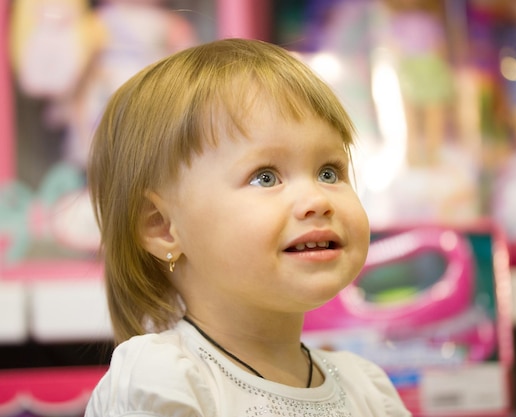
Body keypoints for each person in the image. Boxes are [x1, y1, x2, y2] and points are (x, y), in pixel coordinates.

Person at [85, 38, 411, 416]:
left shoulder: (367, 389)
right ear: (163, 227)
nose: (317, 201)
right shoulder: (163, 379)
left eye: (329, 172)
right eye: (266, 177)